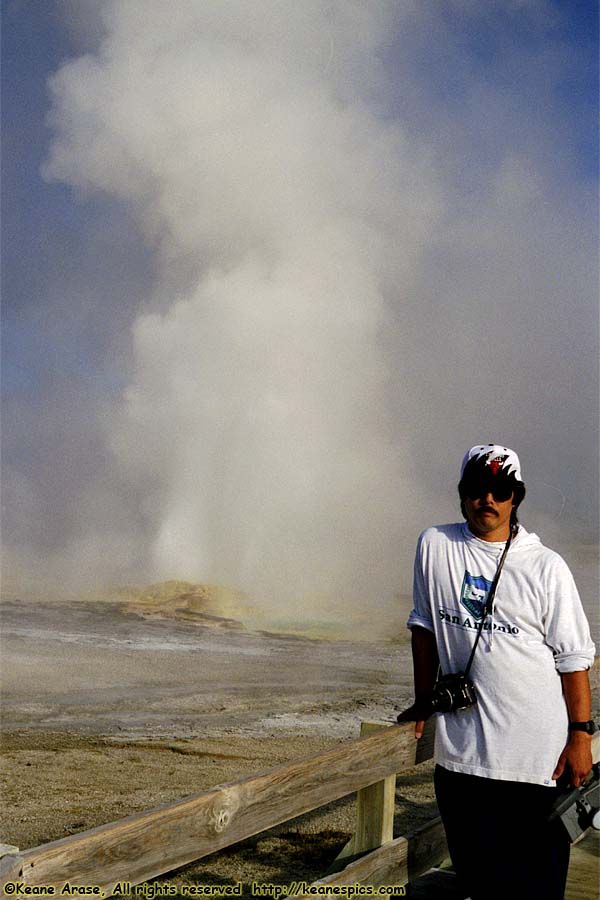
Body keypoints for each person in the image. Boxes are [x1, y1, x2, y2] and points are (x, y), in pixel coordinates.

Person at [397, 443, 596, 900]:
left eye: (500, 490)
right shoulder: (435, 546)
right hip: (462, 764)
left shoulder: (545, 567)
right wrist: (424, 698)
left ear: (515, 497)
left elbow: (573, 659)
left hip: (536, 768)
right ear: (464, 494)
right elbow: (423, 627)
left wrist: (581, 736)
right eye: (477, 489)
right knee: (479, 888)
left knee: (536, 891)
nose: (488, 499)